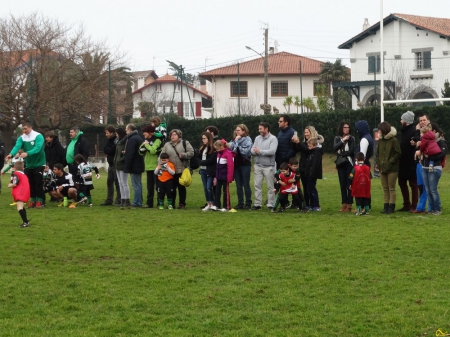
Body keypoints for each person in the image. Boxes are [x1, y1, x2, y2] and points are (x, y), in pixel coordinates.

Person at [6, 122, 46, 208]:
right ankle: (33, 200)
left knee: (38, 182)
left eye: (25, 129)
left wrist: (27, 153)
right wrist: (11, 154)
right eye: (23, 129)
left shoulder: (38, 136)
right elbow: (17, 146)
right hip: (29, 164)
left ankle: (40, 200)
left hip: (39, 163)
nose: (24, 131)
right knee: (30, 182)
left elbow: (38, 148)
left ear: (30, 127)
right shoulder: (22, 138)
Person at [160, 129, 194, 209]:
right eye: (171, 135)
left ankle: (182, 204)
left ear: (179, 136)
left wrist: (183, 155)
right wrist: (161, 167)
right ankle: (171, 203)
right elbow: (161, 156)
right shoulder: (167, 144)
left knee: (181, 188)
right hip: (170, 170)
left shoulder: (185, 143)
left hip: (181, 169)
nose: (173, 136)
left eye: (175, 134)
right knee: (171, 188)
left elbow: (192, 153)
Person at [292, 126, 324, 210]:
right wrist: (295, 143)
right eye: (305, 132)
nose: (305, 134)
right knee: (306, 187)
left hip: (310, 169)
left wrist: (298, 143)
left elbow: (307, 150)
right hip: (303, 167)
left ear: (312, 132)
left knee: (311, 187)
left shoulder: (314, 145)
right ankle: (308, 204)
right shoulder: (304, 142)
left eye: (307, 132)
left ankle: (315, 205)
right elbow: (299, 149)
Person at [420, 123, 446, 215]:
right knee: (428, 189)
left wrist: (429, 157)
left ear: (434, 131)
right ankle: (431, 209)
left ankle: (437, 208)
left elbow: (442, 154)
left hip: (435, 167)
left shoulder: (440, 141)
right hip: (425, 166)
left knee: (433, 189)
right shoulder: (426, 139)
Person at [251, 122, 278, 210]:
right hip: (258, 165)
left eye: (261, 129)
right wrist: (254, 151)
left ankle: (271, 204)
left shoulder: (273, 139)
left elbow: (272, 151)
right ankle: (257, 204)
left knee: (271, 186)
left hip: (269, 166)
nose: (259, 131)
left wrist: (259, 151)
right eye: (259, 129)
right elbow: (252, 149)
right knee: (257, 185)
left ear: (266, 129)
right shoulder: (257, 138)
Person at [376, 121, 401, 214]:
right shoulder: (380, 140)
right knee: (385, 188)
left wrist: (390, 162)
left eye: (380, 129)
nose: (379, 131)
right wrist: (378, 163)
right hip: (382, 168)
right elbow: (378, 153)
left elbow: (398, 153)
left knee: (391, 188)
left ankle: (392, 206)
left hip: (392, 169)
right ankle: (385, 206)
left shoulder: (394, 140)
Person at [397, 111, 418, 212]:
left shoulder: (413, 131)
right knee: (401, 182)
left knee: (413, 183)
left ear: (406, 121)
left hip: (411, 162)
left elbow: (416, 140)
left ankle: (414, 205)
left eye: (402, 119)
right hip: (403, 162)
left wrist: (414, 141)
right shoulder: (404, 131)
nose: (400, 121)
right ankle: (406, 204)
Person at [410, 114, 431, 214]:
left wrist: (419, 141)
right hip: (418, 162)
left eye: (424, 120)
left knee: (426, 186)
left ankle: (421, 207)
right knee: (420, 185)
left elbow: (426, 142)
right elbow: (415, 139)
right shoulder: (418, 132)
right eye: (420, 120)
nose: (422, 122)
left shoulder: (430, 132)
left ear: (428, 121)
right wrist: (414, 141)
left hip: (427, 163)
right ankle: (424, 206)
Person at [229, 124, 253, 209]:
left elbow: (245, 152)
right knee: (238, 185)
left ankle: (248, 203)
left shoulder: (248, 140)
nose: (237, 131)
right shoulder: (234, 140)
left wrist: (237, 144)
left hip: (245, 165)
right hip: (236, 165)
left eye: (239, 130)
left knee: (246, 184)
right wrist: (236, 142)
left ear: (244, 131)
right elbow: (229, 148)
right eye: (236, 130)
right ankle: (240, 203)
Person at [333, 121, 355, 212]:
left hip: (348, 163)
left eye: (348, 127)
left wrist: (341, 154)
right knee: (342, 184)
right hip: (340, 164)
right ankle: (344, 205)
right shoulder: (337, 138)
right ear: (341, 128)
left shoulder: (352, 138)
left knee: (349, 184)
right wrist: (342, 140)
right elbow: (334, 148)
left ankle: (349, 204)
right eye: (344, 127)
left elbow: (351, 151)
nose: (346, 129)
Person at [139, 125, 162, 208]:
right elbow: (140, 151)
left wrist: (146, 145)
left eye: (145, 132)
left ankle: (160, 203)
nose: (143, 134)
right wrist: (144, 146)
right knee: (149, 187)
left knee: (158, 186)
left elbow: (152, 150)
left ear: (150, 132)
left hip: (157, 166)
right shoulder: (146, 140)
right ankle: (149, 203)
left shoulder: (157, 140)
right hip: (148, 166)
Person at [124, 124, 145, 208]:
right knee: (138, 184)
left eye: (126, 130)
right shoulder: (139, 138)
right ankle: (139, 200)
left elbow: (130, 154)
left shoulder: (132, 139)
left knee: (136, 184)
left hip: (134, 165)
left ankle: (137, 202)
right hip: (139, 163)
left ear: (129, 129)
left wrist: (127, 166)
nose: (125, 131)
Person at [211, 139, 234, 212]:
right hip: (219, 176)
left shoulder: (228, 153)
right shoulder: (219, 154)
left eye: (217, 148)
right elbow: (217, 167)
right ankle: (216, 205)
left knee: (225, 191)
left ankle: (226, 206)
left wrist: (229, 178)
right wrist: (216, 177)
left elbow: (230, 167)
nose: (217, 150)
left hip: (225, 177)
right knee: (217, 191)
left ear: (221, 146)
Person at [100, 126, 121, 206]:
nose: (106, 135)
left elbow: (112, 150)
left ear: (112, 133)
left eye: (107, 133)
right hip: (110, 164)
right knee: (109, 182)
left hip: (115, 164)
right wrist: (108, 151)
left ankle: (118, 199)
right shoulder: (109, 140)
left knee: (117, 182)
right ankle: (109, 200)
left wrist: (108, 151)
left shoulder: (116, 140)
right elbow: (105, 149)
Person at [8, 160, 31, 228]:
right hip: (25, 192)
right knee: (21, 207)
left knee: (19, 208)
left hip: (20, 192)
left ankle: (25, 222)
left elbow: (15, 183)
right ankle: (26, 221)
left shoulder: (16, 174)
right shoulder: (24, 175)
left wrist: (10, 185)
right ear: (23, 168)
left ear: (14, 168)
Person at [198, 132, 216, 211]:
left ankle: (212, 203)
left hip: (209, 171)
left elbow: (211, 160)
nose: (203, 140)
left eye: (204, 138)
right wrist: (198, 162)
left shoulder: (213, 148)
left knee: (209, 187)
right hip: (202, 170)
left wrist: (201, 162)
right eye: (202, 138)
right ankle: (208, 203)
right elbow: (198, 157)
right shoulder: (202, 148)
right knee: (205, 188)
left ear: (209, 139)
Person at [113, 128, 130, 208]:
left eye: (117, 134)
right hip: (117, 164)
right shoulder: (118, 143)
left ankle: (127, 199)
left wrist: (120, 159)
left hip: (122, 164)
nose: (116, 135)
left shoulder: (125, 142)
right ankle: (122, 199)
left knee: (124, 183)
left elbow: (125, 154)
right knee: (120, 183)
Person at [305, 137, 323, 211]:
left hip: (312, 174)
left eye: (310, 146)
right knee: (309, 189)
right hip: (309, 174)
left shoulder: (317, 152)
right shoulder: (312, 152)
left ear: (315, 145)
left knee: (312, 190)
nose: (309, 148)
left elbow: (315, 164)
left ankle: (316, 205)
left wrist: (311, 173)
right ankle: (312, 205)